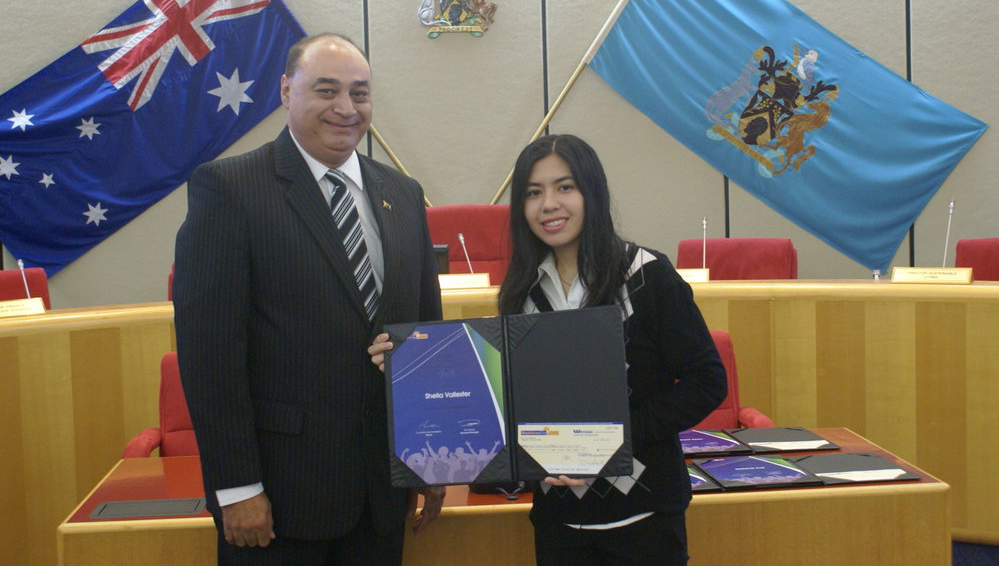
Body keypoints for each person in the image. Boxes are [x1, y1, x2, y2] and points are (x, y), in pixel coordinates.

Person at [370, 133, 726, 564]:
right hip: (560, 524)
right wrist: (408, 364)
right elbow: (505, 403)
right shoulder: (521, 295)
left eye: (565, 187)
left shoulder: (647, 275)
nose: (549, 204)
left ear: (591, 192)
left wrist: (609, 442)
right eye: (533, 193)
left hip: (645, 516)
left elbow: (706, 382)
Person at [174, 33, 444, 565]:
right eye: (327, 91)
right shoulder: (229, 189)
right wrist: (236, 487)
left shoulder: (404, 194)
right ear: (285, 91)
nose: (346, 109)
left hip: (381, 495)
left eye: (360, 93)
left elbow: (425, 341)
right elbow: (210, 357)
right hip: (278, 500)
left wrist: (431, 461)